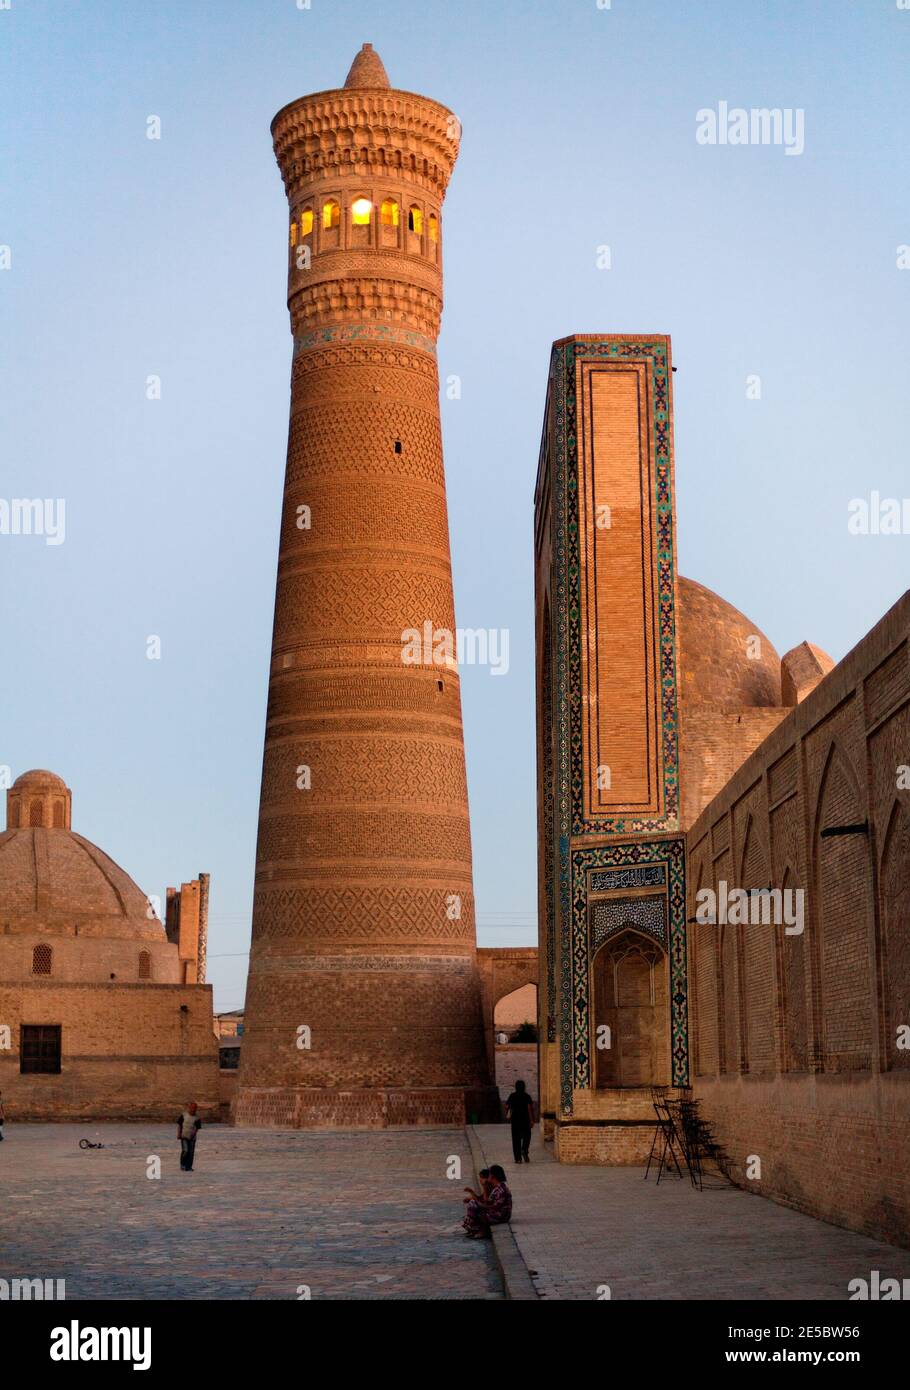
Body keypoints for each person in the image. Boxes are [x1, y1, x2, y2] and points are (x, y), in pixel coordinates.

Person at [462, 1164, 512, 1238]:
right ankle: (475, 1230)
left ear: (493, 1176)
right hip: (497, 1212)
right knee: (474, 1205)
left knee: (474, 1206)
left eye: (489, 1174)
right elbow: (488, 1202)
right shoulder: (497, 1188)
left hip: (501, 1215)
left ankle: (480, 1231)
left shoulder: (500, 1189)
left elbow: (492, 1206)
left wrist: (477, 1202)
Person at [505, 1079, 535, 1163]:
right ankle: (524, 1150)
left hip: (515, 1121)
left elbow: (506, 1106)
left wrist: (507, 1114)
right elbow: (529, 1108)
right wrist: (531, 1120)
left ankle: (518, 1158)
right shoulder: (527, 1096)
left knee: (516, 1139)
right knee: (527, 1136)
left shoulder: (512, 1096)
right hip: (525, 1120)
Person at [177, 1101, 201, 1171]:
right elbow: (179, 1125)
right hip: (184, 1136)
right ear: (189, 1108)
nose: (193, 1109)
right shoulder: (184, 1115)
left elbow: (197, 1128)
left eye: (195, 1108)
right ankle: (182, 1164)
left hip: (192, 1138)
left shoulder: (197, 1118)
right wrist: (179, 1133)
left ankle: (189, 1166)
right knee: (185, 1150)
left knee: (191, 1152)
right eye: (192, 1108)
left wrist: (193, 1134)